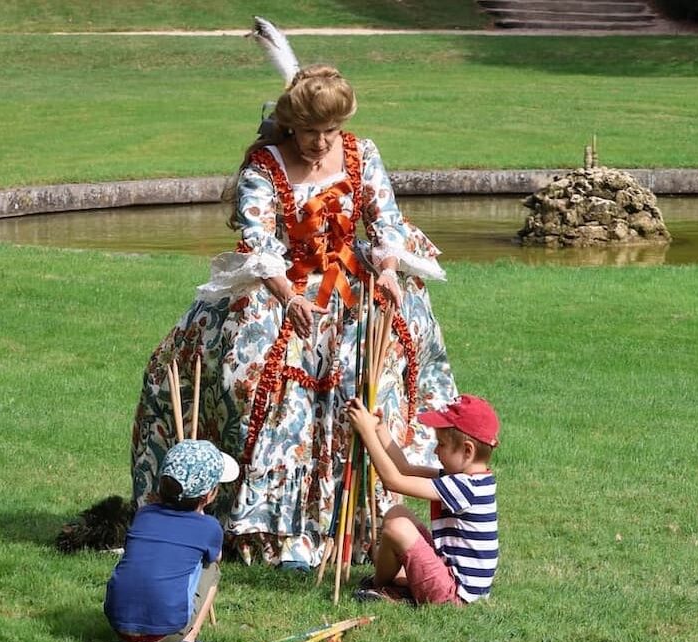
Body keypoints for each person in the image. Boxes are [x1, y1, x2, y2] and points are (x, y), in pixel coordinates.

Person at [130, 63, 458, 571]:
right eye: (310, 131)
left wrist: (389, 269)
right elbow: (259, 241)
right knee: (253, 376)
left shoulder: (360, 152)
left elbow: (384, 217)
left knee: (369, 389)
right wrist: (288, 295)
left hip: (354, 284)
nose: (321, 143)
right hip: (282, 287)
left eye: (330, 131)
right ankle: (272, 533)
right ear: (289, 125)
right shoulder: (264, 166)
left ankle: (362, 526)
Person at [346, 394, 501, 605]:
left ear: (467, 450)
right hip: (450, 579)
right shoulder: (469, 479)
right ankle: (394, 584)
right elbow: (405, 469)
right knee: (396, 514)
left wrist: (366, 433)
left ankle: (380, 586)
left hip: (454, 596)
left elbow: (394, 481)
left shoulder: (465, 487)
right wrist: (379, 430)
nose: (436, 450)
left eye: (441, 444)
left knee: (397, 527)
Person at [104, 439, 239, 642]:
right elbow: (216, 557)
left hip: (119, 627)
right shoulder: (209, 527)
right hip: (164, 634)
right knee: (212, 568)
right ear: (209, 495)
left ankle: (136, 634)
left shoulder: (144, 514)